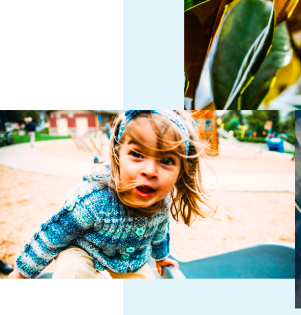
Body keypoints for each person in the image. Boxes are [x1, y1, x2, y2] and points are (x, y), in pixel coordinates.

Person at [7, 111, 214, 279]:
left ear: (181, 171)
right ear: (118, 155)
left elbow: (160, 233)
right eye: (137, 154)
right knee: (73, 271)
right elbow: (52, 234)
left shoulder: (161, 205)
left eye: (166, 160)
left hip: (130, 263)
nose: (150, 171)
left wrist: (161, 257)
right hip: (85, 252)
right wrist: (23, 273)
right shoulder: (94, 200)